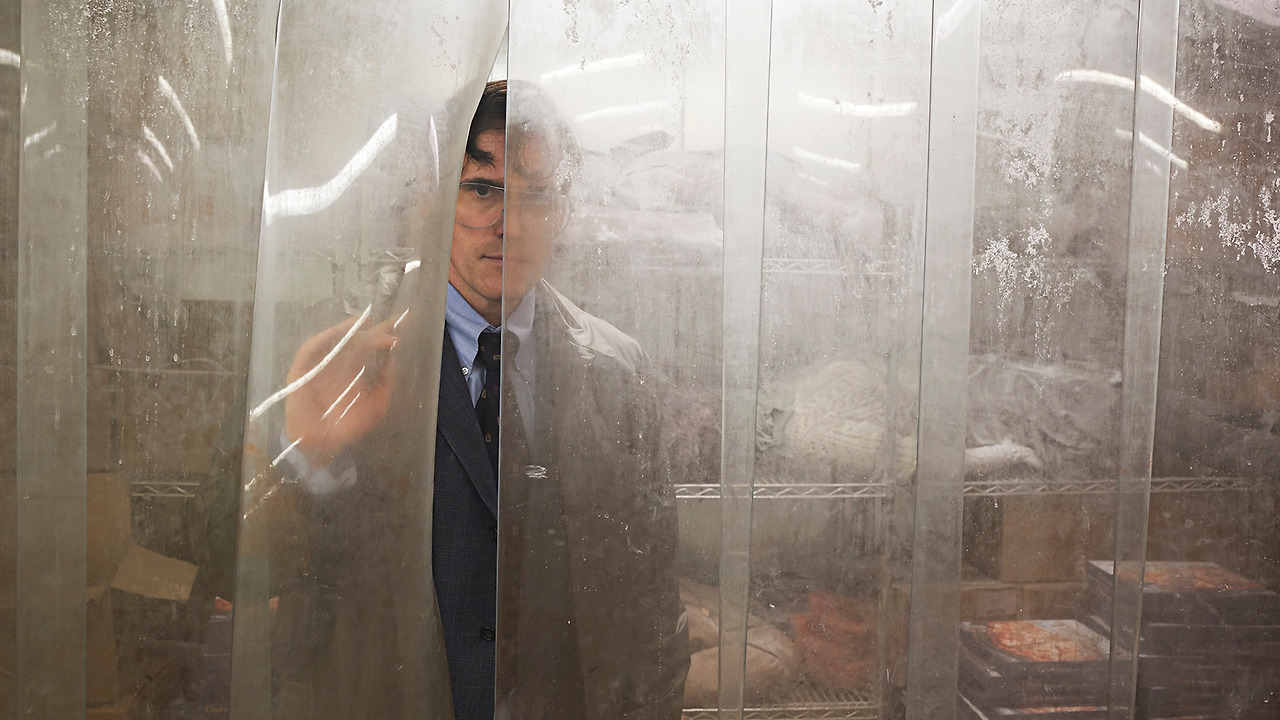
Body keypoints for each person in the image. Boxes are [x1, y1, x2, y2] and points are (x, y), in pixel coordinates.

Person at [272, 80, 688, 720]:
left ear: (564, 212)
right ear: (430, 200)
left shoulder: (616, 372)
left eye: (536, 196)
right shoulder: (338, 355)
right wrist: (309, 456)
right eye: (482, 189)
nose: (510, 225)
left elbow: (653, 604)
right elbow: (229, 564)